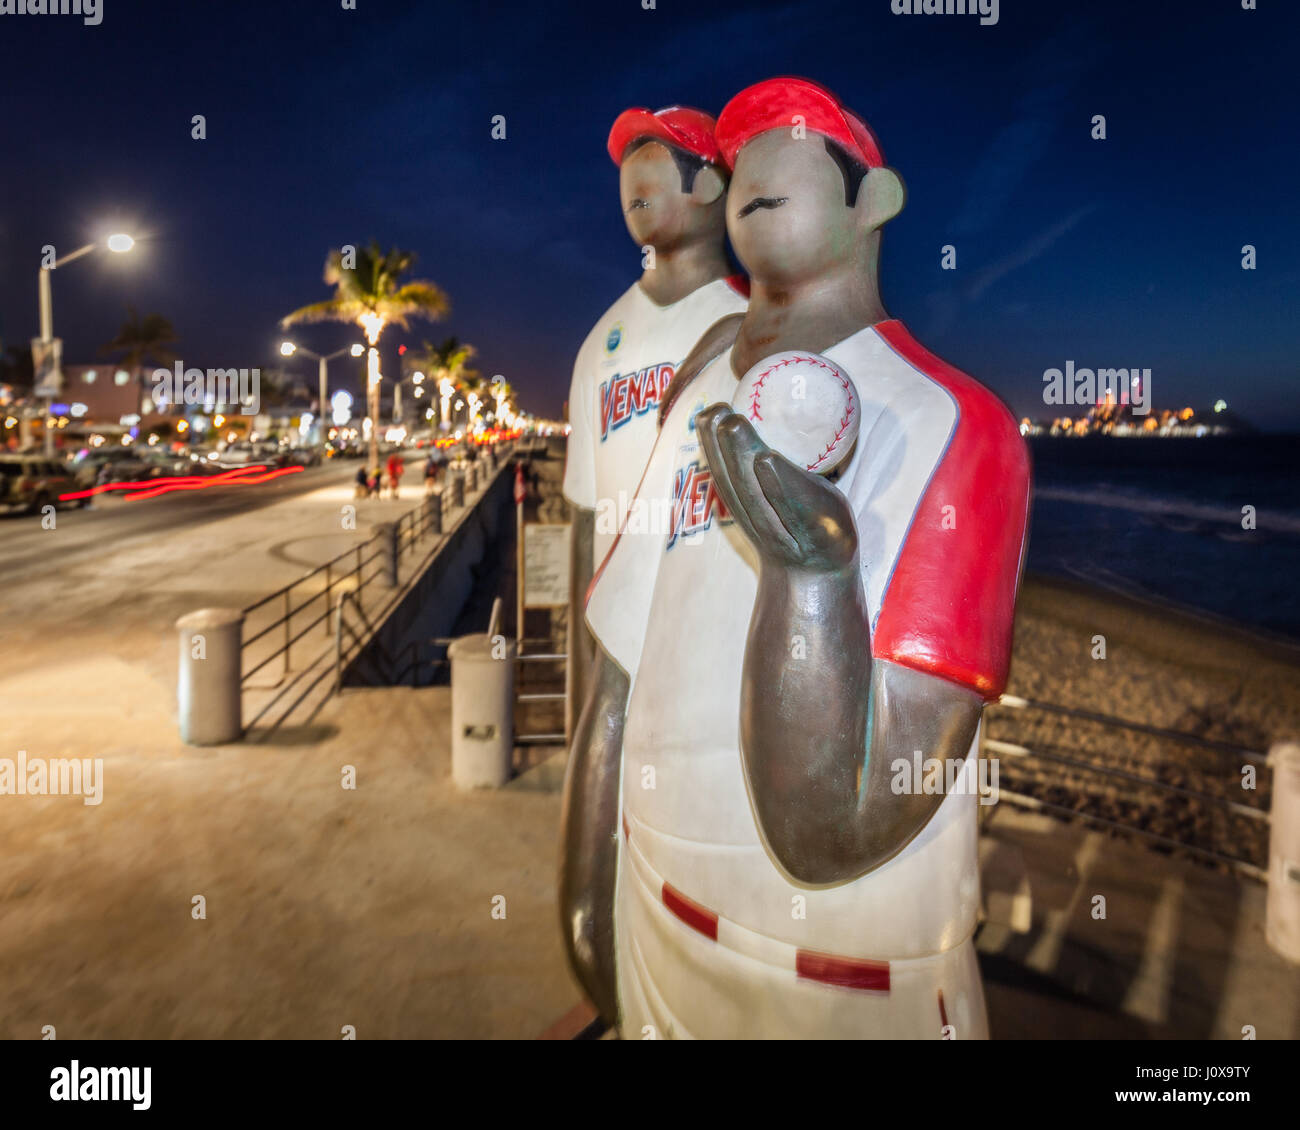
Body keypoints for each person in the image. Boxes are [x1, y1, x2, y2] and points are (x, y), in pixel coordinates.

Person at [570, 77, 1031, 1039]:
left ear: (874, 201)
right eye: (739, 160)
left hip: (846, 974)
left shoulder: (960, 426)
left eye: (795, 142)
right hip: (654, 903)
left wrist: (813, 584)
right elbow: (620, 664)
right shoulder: (697, 383)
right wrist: (587, 874)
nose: (756, 166)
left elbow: (843, 826)